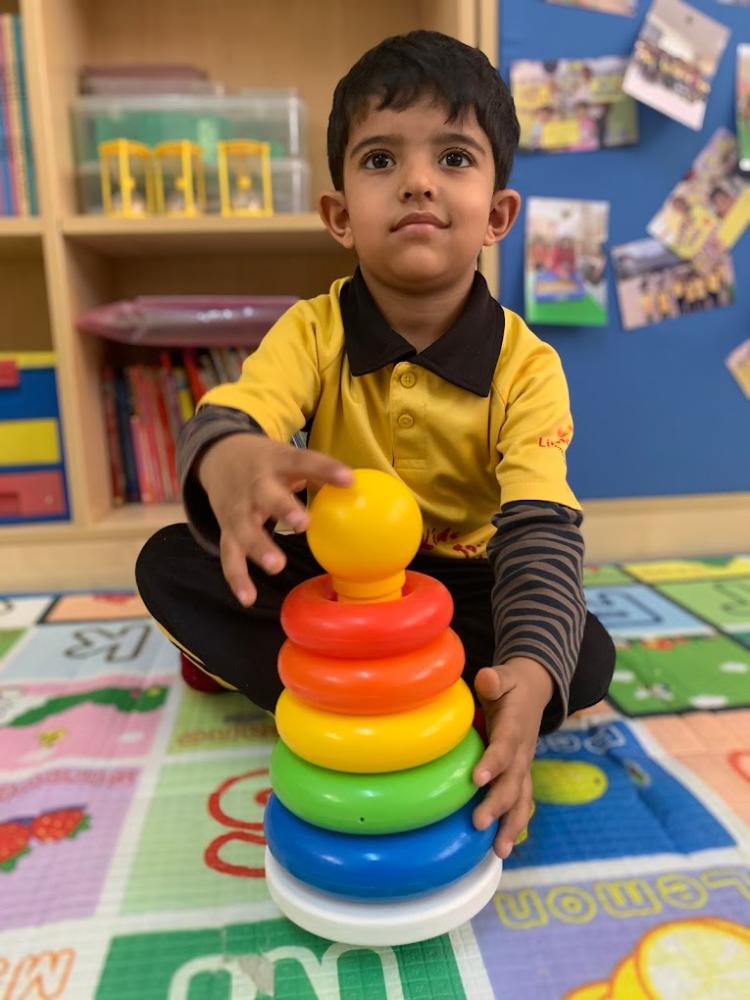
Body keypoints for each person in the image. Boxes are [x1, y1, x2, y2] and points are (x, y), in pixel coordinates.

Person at [136, 30, 615, 861]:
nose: (418, 181)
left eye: (454, 158)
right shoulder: (311, 331)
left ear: (497, 216)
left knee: (581, 655)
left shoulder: (529, 367)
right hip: (337, 588)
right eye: (382, 159)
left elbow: (539, 531)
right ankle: (364, 701)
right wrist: (230, 456)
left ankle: (441, 700)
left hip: (462, 585)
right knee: (169, 563)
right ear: (340, 216)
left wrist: (531, 680)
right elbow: (238, 411)